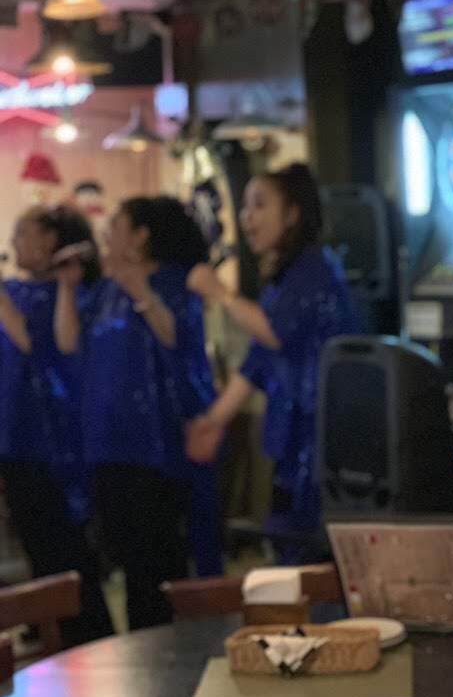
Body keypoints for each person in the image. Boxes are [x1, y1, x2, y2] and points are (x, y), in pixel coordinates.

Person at [57, 196, 215, 630]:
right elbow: (69, 342)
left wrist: (140, 291)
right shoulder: (104, 290)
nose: (107, 234)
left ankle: (169, 645)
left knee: (158, 561)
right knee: (127, 560)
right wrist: (68, 288)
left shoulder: (174, 282)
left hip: (156, 446)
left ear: (141, 236)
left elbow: (177, 340)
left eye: (116, 225)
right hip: (108, 444)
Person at [187, 163, 358, 562]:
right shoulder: (282, 279)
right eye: (245, 206)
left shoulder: (314, 269)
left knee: (311, 555)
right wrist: (214, 420)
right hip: (293, 441)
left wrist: (221, 294)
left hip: (322, 439)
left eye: (260, 205)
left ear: (293, 213)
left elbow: (274, 333)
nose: (247, 217)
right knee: (288, 548)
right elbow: (258, 361)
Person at [0, 206, 114, 647]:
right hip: (16, 436)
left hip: (53, 439)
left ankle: (84, 635)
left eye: (22, 233)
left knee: (64, 544)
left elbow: (38, 343)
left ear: (50, 239)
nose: (14, 243)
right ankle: (51, 631)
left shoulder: (70, 291)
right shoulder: (18, 291)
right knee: (35, 542)